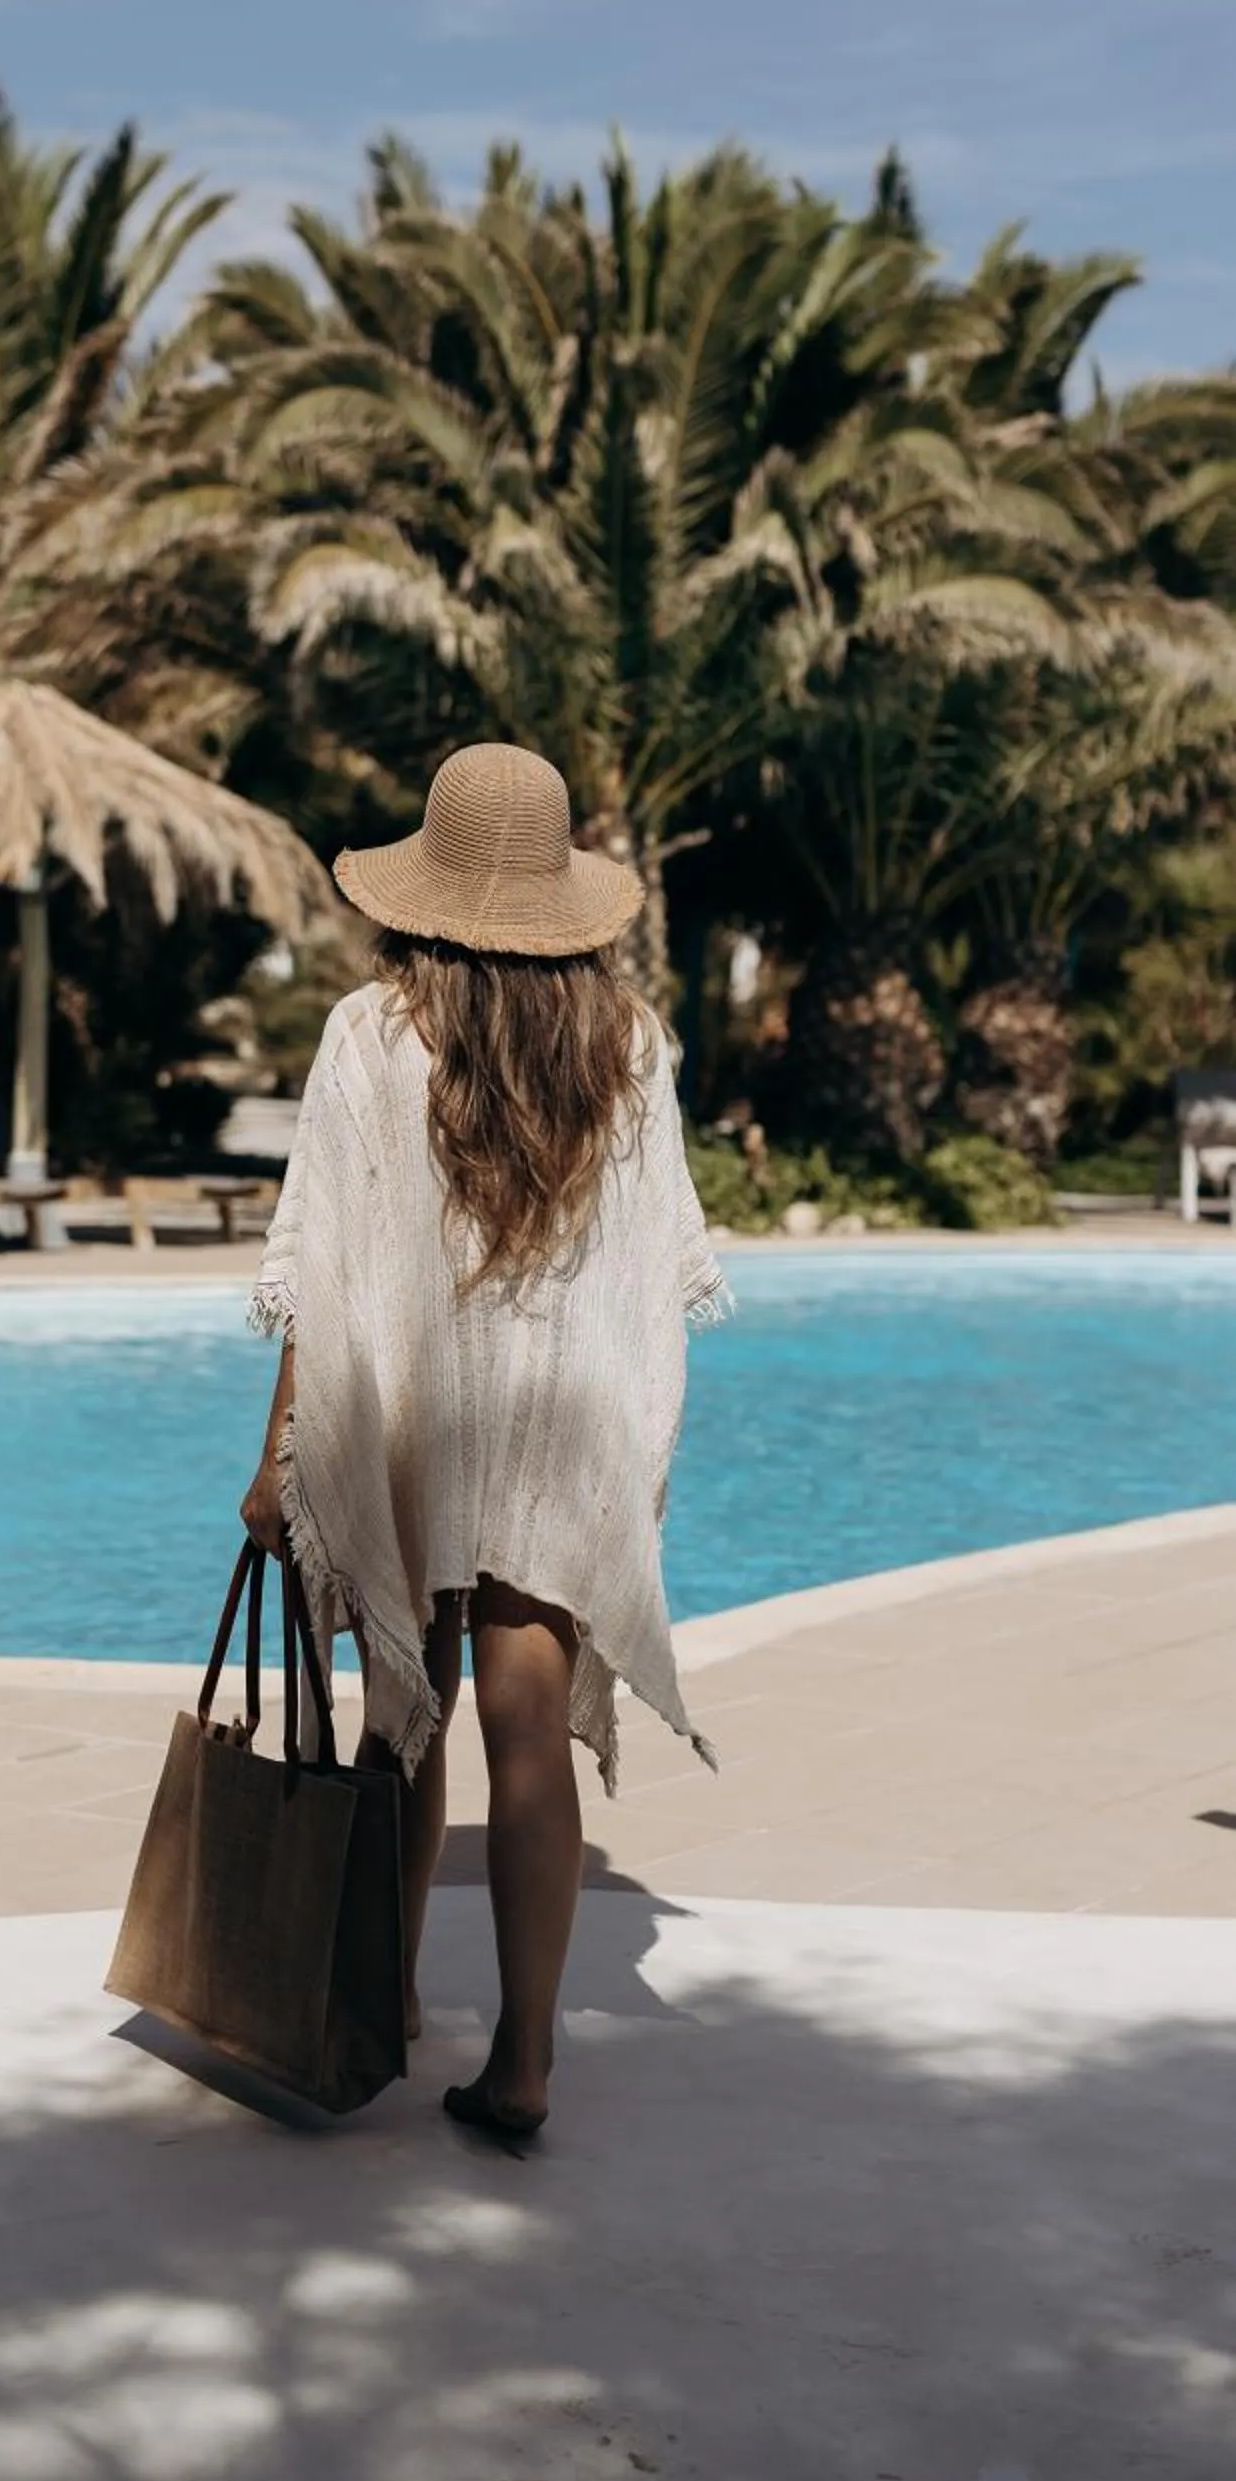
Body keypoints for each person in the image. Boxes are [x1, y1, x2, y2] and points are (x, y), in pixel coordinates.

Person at [241, 742, 727, 2141]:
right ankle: (523, 2059)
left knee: (404, 1712)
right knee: (530, 1731)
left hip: (416, 1421)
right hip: (562, 1431)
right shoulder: (628, 1044)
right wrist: (630, 1458)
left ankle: (384, 2000)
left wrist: (278, 1454)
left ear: (429, 883)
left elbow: (321, 1271)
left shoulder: (369, 1032)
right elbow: (652, 1276)